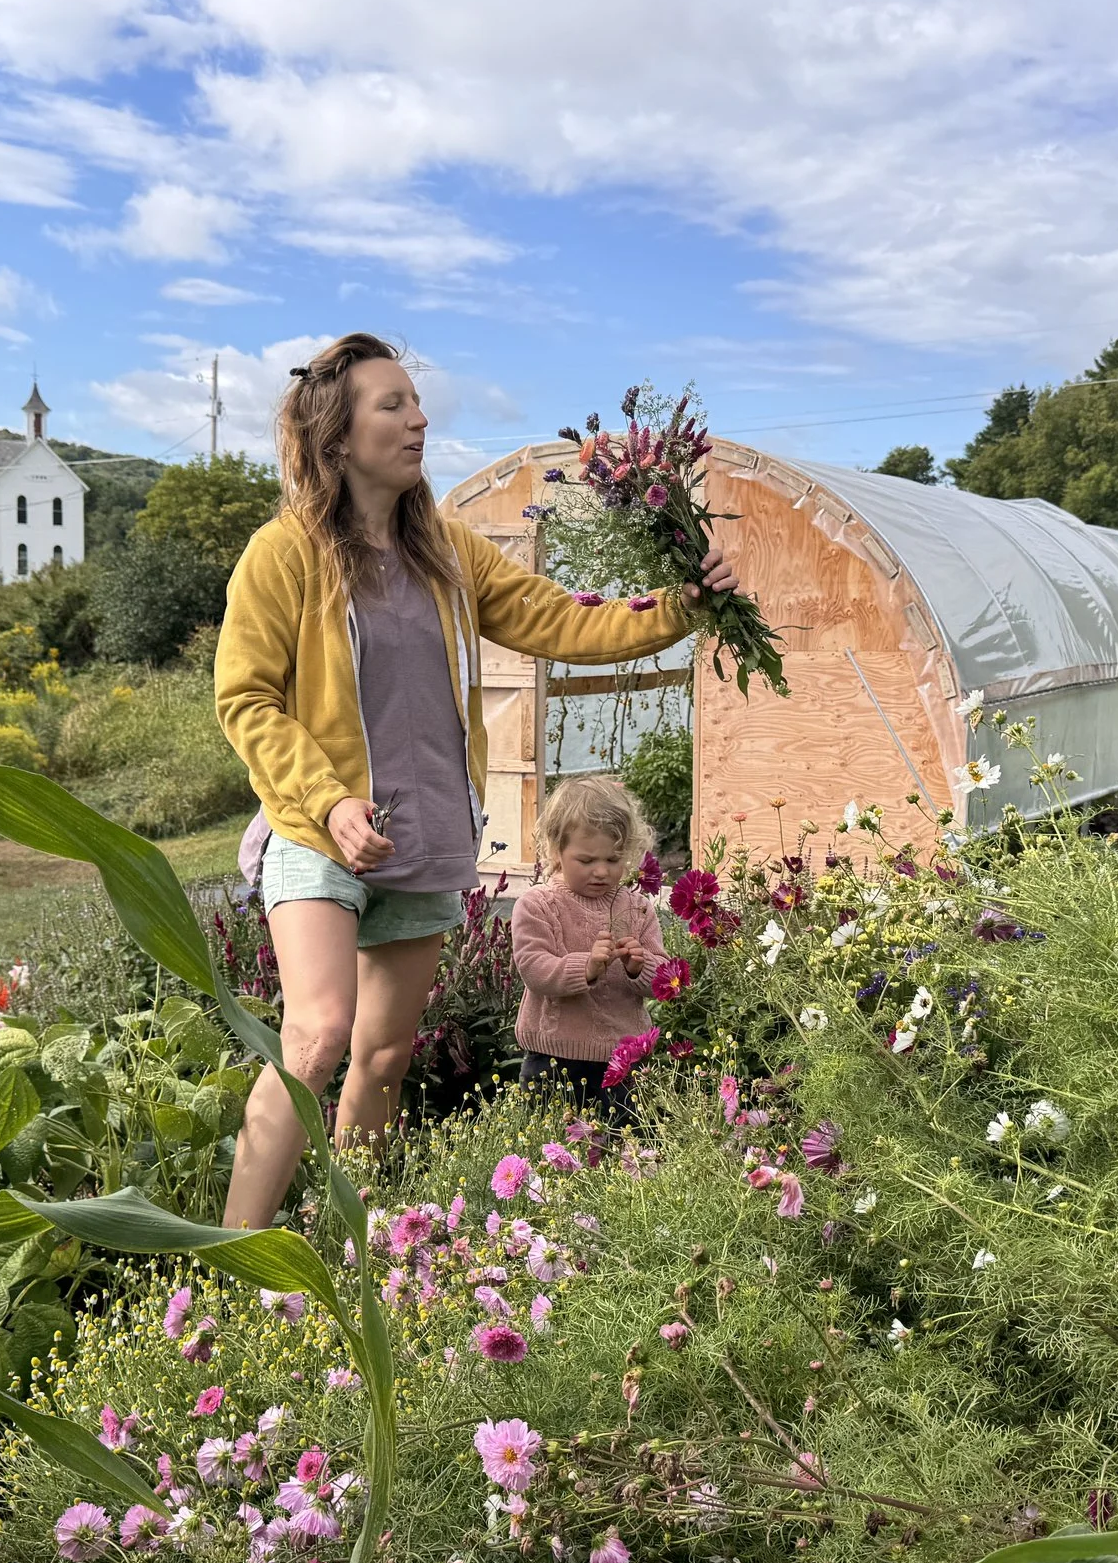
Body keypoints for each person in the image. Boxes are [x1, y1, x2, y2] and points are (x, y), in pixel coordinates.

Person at [214, 331, 745, 1229]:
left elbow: (557, 618)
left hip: (425, 839)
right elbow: (248, 700)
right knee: (315, 1038)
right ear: (337, 437)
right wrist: (329, 800)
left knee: (383, 1058)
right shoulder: (284, 554)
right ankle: (234, 1256)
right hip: (317, 834)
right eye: (394, 404)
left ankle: (358, 1244)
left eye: (418, 402)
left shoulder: (447, 553)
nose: (420, 417)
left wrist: (684, 606)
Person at [509, 776, 664, 1124]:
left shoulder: (637, 909)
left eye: (613, 859)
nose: (601, 871)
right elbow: (534, 969)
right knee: (552, 1151)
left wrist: (640, 967)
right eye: (586, 859)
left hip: (625, 1057)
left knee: (626, 1153)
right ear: (555, 851)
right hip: (553, 1057)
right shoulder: (538, 905)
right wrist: (588, 967)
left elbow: (663, 980)